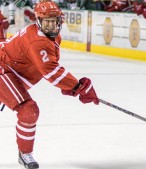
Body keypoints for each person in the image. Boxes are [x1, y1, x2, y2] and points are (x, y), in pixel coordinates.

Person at [0, 1, 99, 169]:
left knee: (28, 111)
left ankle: (25, 153)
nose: (51, 25)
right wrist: (78, 87)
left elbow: (49, 68)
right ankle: (25, 154)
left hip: (9, 72)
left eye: (54, 21)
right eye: (47, 22)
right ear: (38, 21)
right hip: (3, 69)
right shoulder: (37, 41)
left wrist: (69, 86)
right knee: (28, 110)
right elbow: (50, 71)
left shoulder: (51, 37)